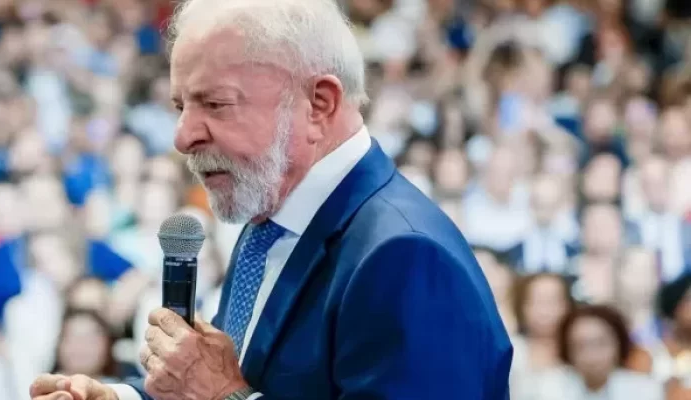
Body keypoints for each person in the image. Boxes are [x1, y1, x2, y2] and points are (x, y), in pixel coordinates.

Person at [30, 0, 512, 399]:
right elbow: (245, 382)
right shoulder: (272, 218)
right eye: (181, 106)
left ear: (319, 104)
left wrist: (223, 396)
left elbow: (225, 389)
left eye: (215, 103)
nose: (183, 136)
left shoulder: (406, 256)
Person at [531, 305, 663, 400]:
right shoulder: (547, 390)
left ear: (619, 344)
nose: (591, 355)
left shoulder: (645, 391)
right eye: (580, 346)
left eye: (601, 343)